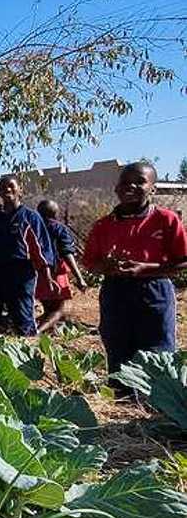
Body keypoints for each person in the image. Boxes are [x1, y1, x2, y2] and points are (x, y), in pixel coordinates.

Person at [81, 162, 187, 381]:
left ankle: (158, 406)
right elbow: (90, 262)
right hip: (115, 292)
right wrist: (106, 267)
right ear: (116, 189)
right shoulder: (103, 225)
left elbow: (183, 261)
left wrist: (145, 268)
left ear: (153, 189)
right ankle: (125, 400)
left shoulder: (166, 220)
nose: (130, 186)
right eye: (125, 182)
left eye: (140, 181)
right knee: (118, 347)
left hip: (154, 292)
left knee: (158, 353)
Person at [0, 175, 57, 336]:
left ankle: (25, 350)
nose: (7, 189)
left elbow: (41, 251)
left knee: (22, 318)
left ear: (20, 190)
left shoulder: (31, 218)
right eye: (3, 187)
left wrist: (47, 277)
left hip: (21, 274)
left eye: (11, 186)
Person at [35, 199, 88, 334]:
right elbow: (67, 253)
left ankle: (50, 330)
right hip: (56, 272)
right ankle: (37, 331)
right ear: (56, 213)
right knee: (59, 309)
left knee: (48, 307)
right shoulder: (59, 228)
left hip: (37, 273)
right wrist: (79, 277)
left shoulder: (32, 228)